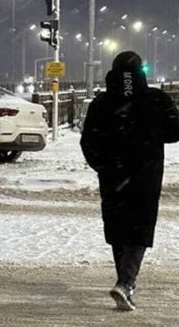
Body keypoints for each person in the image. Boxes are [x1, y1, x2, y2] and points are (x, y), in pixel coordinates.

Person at [80, 51, 179, 311]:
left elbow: (88, 141)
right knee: (139, 231)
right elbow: (174, 132)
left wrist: (103, 166)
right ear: (141, 73)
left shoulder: (101, 103)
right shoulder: (155, 99)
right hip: (145, 178)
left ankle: (125, 282)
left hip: (113, 177)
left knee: (118, 230)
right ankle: (126, 282)